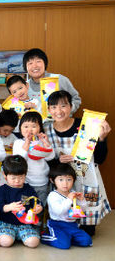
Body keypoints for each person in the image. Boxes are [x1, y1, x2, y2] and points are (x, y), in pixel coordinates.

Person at [44, 90, 110, 236]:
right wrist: (57, 160)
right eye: (54, 107)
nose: (59, 111)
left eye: (63, 106)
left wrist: (102, 139)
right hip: (61, 182)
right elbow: (42, 159)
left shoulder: (86, 125)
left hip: (86, 179)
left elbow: (100, 159)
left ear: (71, 107)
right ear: (48, 110)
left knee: (88, 232)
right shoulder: (46, 129)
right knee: (63, 222)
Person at [41, 163, 92, 249]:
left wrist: (81, 200)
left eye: (69, 179)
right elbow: (59, 211)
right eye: (61, 180)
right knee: (64, 245)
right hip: (57, 224)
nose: (65, 183)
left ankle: (67, 238)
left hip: (72, 224)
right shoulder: (53, 195)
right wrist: (69, 200)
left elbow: (82, 210)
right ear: (52, 180)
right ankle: (44, 236)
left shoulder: (72, 193)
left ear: (73, 180)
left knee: (87, 241)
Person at [0, 155, 42, 248]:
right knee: (5, 242)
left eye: (21, 177)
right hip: (6, 223)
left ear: (25, 174)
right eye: (13, 178)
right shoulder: (2, 190)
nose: (17, 181)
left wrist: (39, 208)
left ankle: (20, 236)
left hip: (25, 224)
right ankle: (10, 236)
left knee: (33, 242)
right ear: (5, 175)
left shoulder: (29, 189)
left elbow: (37, 202)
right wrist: (9, 207)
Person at [12, 112, 54, 205]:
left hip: (42, 182)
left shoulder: (42, 142)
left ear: (40, 129)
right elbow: (19, 160)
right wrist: (27, 143)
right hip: (25, 182)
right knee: (25, 206)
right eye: (26, 126)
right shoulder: (18, 143)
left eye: (34, 126)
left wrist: (46, 143)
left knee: (40, 206)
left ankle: (38, 220)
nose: (29, 130)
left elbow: (50, 157)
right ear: (20, 129)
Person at [23, 48, 81, 115]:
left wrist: (65, 112)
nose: (34, 66)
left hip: (59, 123)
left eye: (38, 61)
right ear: (26, 68)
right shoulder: (23, 87)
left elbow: (75, 99)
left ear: (45, 63)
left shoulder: (59, 79)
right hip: (35, 124)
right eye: (30, 63)